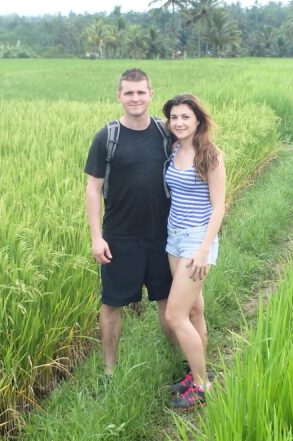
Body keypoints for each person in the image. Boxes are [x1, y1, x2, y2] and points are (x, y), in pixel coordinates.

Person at [85, 68, 174, 376]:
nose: (135, 98)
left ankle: (176, 360)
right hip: (119, 237)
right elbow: (93, 188)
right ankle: (110, 370)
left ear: (151, 94)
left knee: (167, 301)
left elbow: (195, 160)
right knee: (112, 303)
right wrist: (97, 237)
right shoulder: (107, 137)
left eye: (140, 92)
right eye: (129, 93)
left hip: (163, 235)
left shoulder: (166, 133)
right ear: (119, 96)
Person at [162, 94, 226, 409]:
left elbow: (219, 208)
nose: (179, 123)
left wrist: (203, 251)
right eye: (174, 117)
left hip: (195, 243)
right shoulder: (174, 150)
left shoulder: (210, 155)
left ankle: (201, 387)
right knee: (193, 311)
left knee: (175, 315)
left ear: (197, 120)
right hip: (173, 240)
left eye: (185, 117)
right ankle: (196, 371)